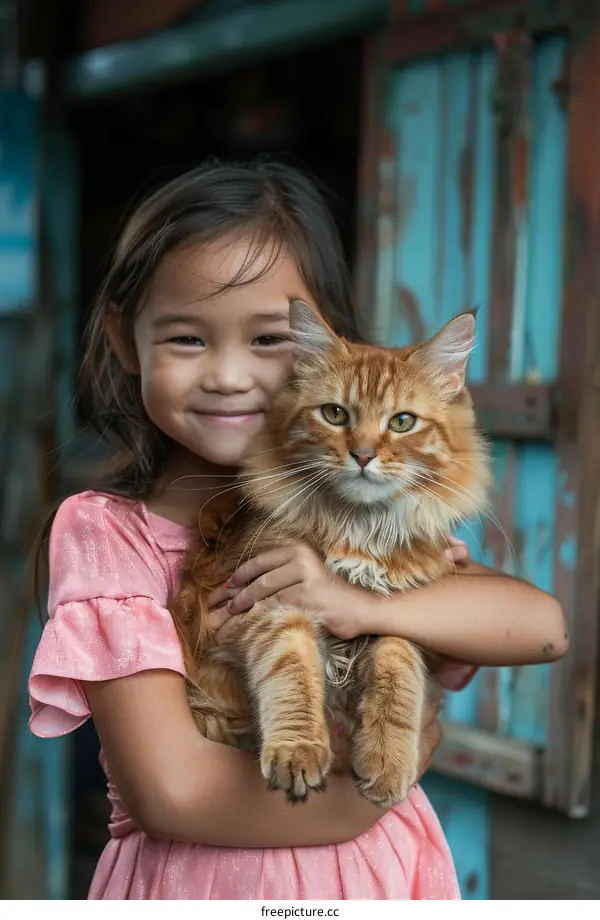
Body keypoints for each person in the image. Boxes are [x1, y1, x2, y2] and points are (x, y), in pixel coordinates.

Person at [28, 161, 568, 900]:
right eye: (187, 339)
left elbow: (542, 628)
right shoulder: (107, 532)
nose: (227, 376)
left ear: (324, 348)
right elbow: (174, 795)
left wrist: (363, 608)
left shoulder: (363, 506)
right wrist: (366, 800)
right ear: (126, 341)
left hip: (375, 880)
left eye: (269, 340)